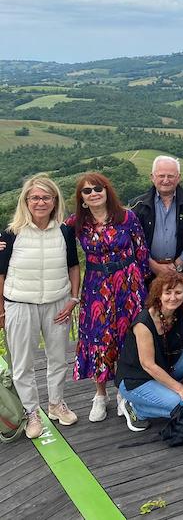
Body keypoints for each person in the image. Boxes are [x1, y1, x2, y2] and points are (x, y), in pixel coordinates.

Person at [0, 175, 80, 438]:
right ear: (26, 201)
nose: (40, 202)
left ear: (54, 200)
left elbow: (73, 266)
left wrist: (73, 299)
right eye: (34, 197)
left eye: (46, 197)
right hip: (20, 304)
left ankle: (56, 404)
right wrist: (1, 309)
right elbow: (0, 273)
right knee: (23, 363)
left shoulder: (65, 231)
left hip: (57, 303)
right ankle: (31, 413)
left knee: (58, 358)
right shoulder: (10, 234)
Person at [67, 172, 150, 423]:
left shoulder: (127, 217)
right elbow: (44, 234)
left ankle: (124, 393)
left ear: (107, 190)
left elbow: (141, 250)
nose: (93, 193)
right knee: (100, 339)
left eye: (98, 188)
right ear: (81, 198)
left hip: (128, 283)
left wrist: (141, 287)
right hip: (96, 286)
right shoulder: (75, 223)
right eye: (87, 191)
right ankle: (100, 395)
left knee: (129, 338)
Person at [115, 273, 183, 431]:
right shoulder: (143, 323)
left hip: (166, 367)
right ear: (158, 295)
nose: (173, 298)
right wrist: (180, 389)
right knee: (180, 404)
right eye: (167, 293)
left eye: (178, 292)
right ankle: (136, 408)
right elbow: (148, 366)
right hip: (137, 380)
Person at [130, 155, 183, 283]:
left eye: (171, 176)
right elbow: (133, 241)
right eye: (161, 176)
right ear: (152, 177)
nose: (166, 180)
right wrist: (153, 265)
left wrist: (178, 263)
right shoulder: (137, 206)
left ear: (178, 178)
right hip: (146, 273)